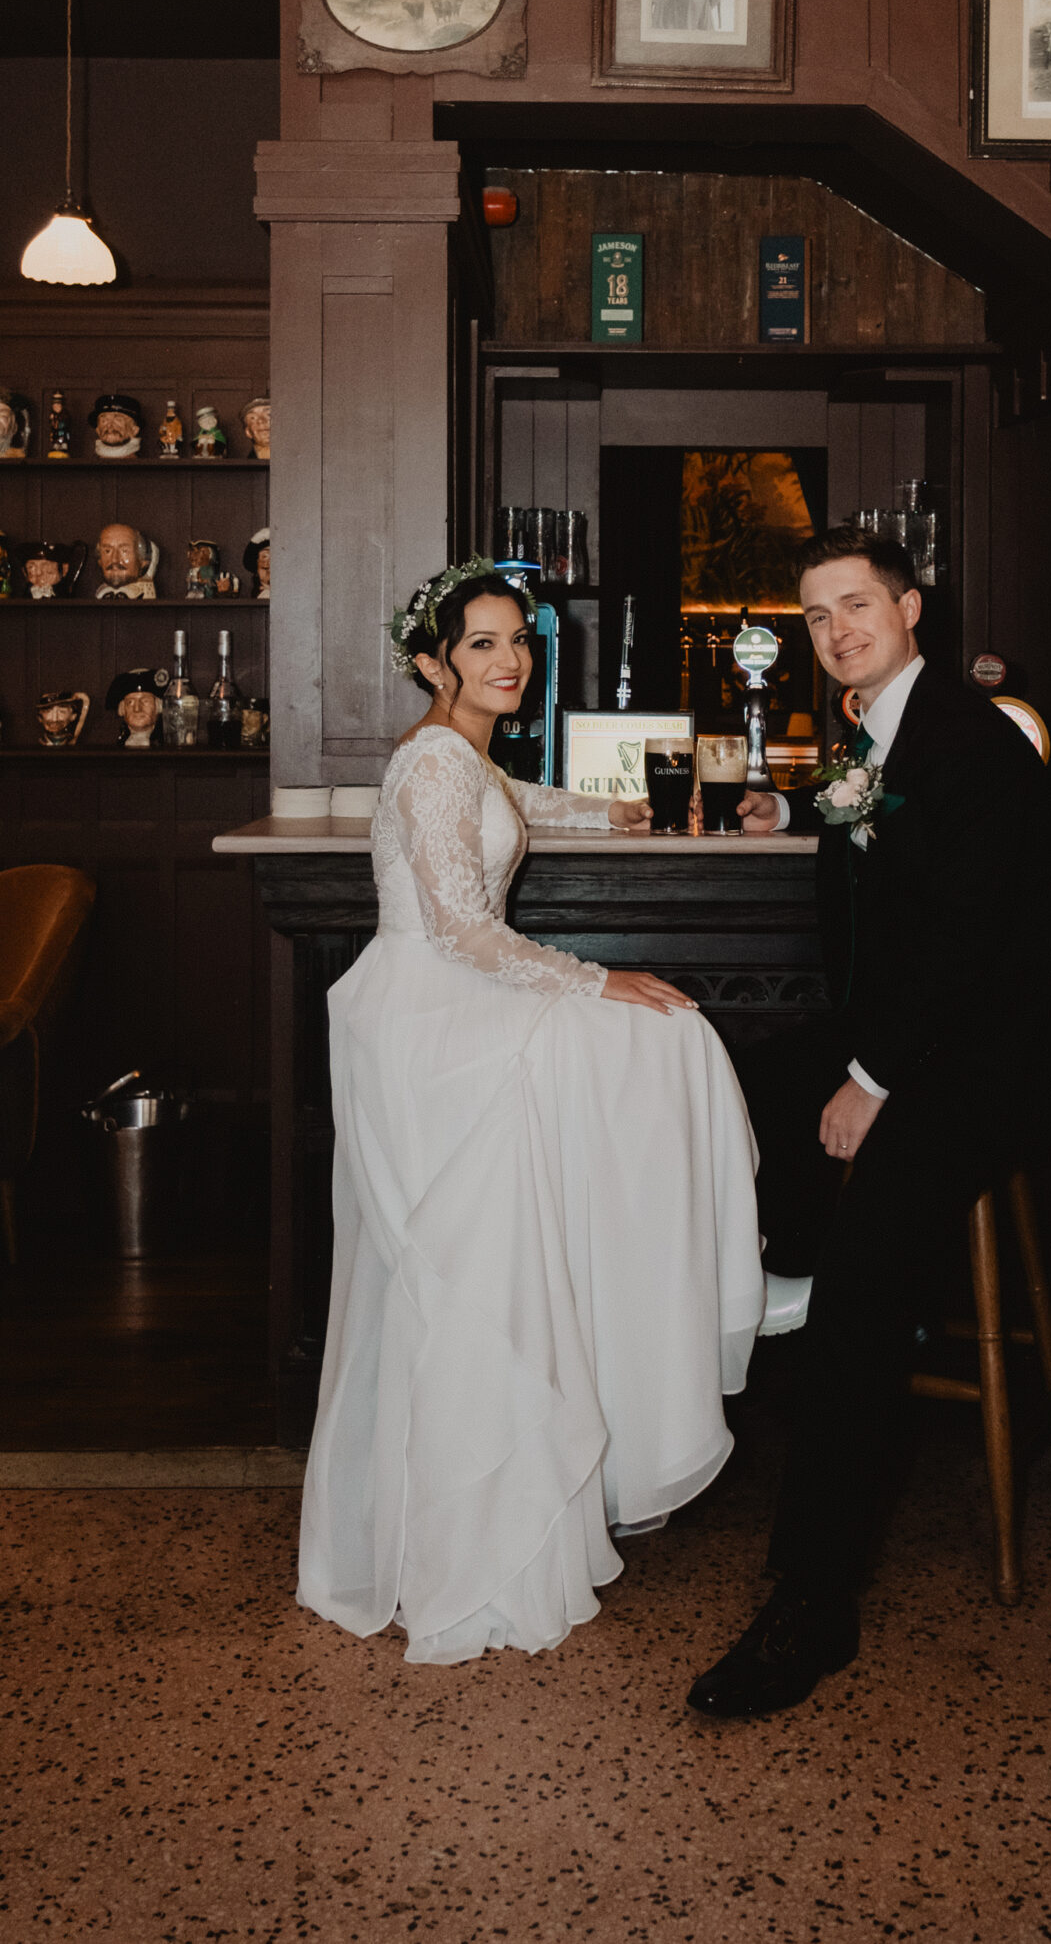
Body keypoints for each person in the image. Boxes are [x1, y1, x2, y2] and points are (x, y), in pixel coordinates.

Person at [298, 556, 765, 1665]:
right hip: (433, 1015)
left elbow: (539, 807)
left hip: (443, 1003)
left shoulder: (466, 761)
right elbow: (463, 929)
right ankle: (720, 1262)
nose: (508, 662)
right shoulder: (432, 767)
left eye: (517, 642)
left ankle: (706, 1258)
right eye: (481, 645)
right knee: (661, 1037)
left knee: (645, 1063)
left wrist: (638, 813)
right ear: (431, 661)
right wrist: (595, 978)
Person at [687, 525, 1051, 1719]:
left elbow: (964, 948)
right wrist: (790, 819)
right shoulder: (867, 738)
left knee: (868, 1287)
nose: (835, 630)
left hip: (993, 1061)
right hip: (912, 1031)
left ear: (911, 607)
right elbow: (883, 912)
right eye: (815, 615)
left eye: (854, 603)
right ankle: (774, 1259)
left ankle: (812, 1604)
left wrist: (865, 1077)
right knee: (718, 1080)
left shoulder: (970, 738)